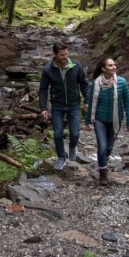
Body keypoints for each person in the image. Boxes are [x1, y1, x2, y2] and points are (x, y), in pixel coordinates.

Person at [37, 42, 89, 171]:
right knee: (58, 133)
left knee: (75, 133)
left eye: (66, 53)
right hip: (57, 106)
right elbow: (43, 89)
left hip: (74, 105)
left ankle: (72, 148)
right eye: (62, 55)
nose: (65, 57)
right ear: (55, 54)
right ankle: (61, 157)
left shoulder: (76, 65)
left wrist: (87, 100)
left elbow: (84, 84)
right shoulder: (48, 69)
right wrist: (43, 108)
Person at [85, 56, 129, 185]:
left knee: (109, 146)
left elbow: (127, 102)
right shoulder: (96, 83)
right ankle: (103, 173)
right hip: (99, 119)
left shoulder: (122, 82)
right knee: (102, 146)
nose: (114, 67)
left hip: (115, 120)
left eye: (114, 65)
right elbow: (91, 103)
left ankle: (103, 161)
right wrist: (87, 119)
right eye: (110, 65)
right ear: (103, 68)